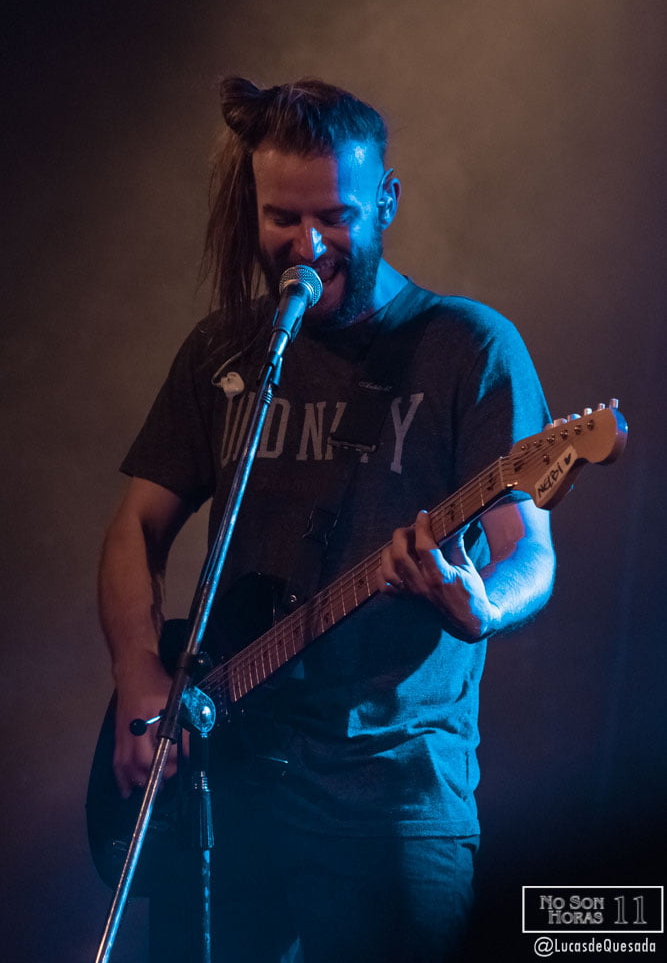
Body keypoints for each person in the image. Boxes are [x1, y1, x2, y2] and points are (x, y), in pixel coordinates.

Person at [98, 77, 556, 963]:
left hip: (393, 796)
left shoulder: (468, 347)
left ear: (386, 201)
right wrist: (137, 676)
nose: (307, 244)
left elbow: (528, 550)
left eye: (334, 217)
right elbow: (135, 528)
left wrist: (485, 605)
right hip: (229, 787)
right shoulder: (225, 349)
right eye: (282, 218)